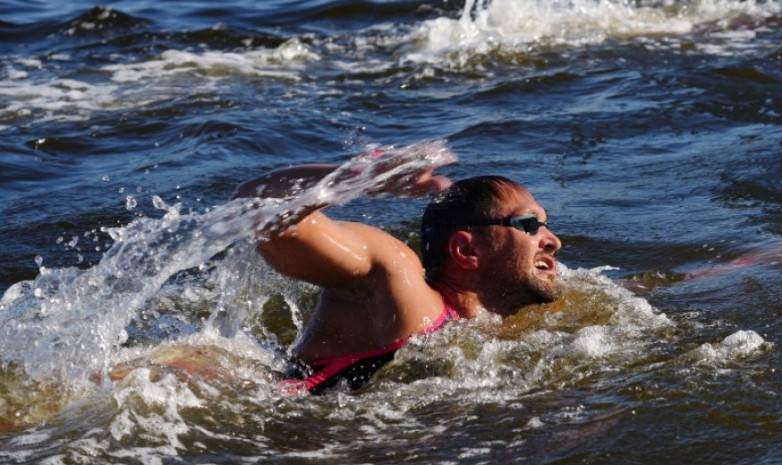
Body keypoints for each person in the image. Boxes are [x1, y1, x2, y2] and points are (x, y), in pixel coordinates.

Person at [233, 152, 562, 394]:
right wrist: (359, 178)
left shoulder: (493, 328)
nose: (553, 241)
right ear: (466, 250)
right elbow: (261, 209)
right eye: (528, 224)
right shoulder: (398, 280)